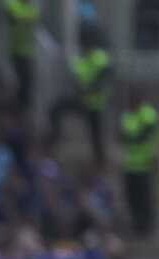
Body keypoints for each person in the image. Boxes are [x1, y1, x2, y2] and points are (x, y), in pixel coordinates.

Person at [48, 28, 111, 168]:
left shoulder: (100, 58)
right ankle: (54, 139)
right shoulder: (78, 60)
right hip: (80, 102)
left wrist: (86, 89)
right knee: (55, 109)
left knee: (96, 134)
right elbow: (74, 80)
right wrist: (78, 90)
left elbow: (102, 79)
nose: (85, 48)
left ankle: (100, 162)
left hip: (94, 104)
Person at [120, 89, 159, 237]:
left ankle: (147, 225)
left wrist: (131, 137)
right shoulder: (128, 114)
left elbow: (143, 135)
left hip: (144, 162)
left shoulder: (148, 114)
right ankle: (137, 224)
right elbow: (123, 134)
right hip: (130, 163)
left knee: (144, 197)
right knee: (132, 196)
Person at [4, 0, 40, 109]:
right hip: (15, 50)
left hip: (27, 52)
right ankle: (16, 107)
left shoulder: (32, 9)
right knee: (18, 80)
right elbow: (18, 17)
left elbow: (34, 20)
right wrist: (27, 19)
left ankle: (22, 107)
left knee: (27, 82)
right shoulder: (12, 4)